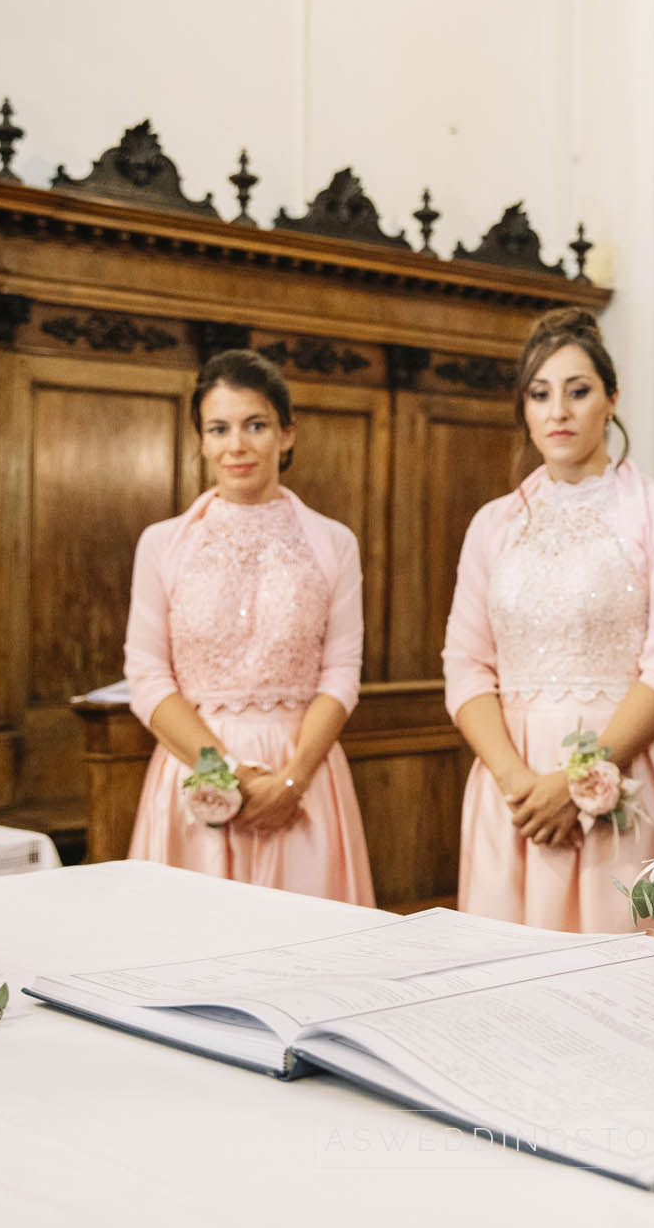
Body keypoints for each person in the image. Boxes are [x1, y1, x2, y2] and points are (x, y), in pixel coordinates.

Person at [444, 308, 654, 932]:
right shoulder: (493, 524)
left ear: (611, 399)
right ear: (524, 409)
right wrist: (519, 783)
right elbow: (465, 664)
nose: (558, 411)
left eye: (578, 391)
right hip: (515, 786)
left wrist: (583, 777)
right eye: (539, 395)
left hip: (627, 770)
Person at [123, 349, 373, 903]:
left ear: (286, 435)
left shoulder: (333, 543)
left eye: (255, 425)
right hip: (196, 772)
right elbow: (146, 676)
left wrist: (292, 780)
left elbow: (340, 674)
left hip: (304, 774)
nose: (236, 445)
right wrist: (229, 774)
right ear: (202, 441)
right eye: (219, 428)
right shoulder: (163, 544)